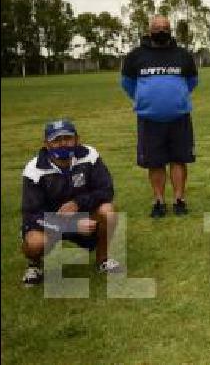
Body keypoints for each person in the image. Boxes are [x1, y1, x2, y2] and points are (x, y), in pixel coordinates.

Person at [21, 119, 122, 286]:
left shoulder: (90, 155)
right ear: (46, 144)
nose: (63, 144)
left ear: (77, 139)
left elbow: (106, 190)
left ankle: (103, 260)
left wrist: (77, 203)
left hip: (84, 216)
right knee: (35, 243)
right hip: (49, 222)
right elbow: (31, 215)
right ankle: (34, 266)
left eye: (67, 139)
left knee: (108, 210)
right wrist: (71, 225)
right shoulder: (34, 169)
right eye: (56, 140)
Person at [121, 15, 198, 218]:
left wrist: (175, 98)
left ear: (170, 30)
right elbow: (128, 84)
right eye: (157, 27)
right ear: (149, 30)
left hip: (179, 117)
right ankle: (159, 201)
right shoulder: (135, 56)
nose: (161, 30)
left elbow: (191, 81)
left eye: (165, 27)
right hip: (149, 119)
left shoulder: (183, 55)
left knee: (179, 160)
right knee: (155, 162)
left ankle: (179, 199)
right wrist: (145, 100)